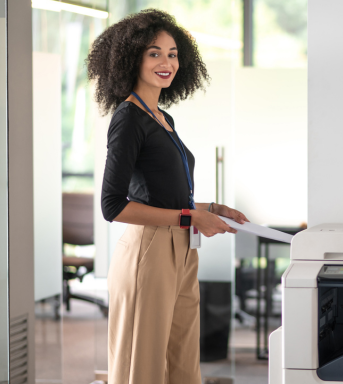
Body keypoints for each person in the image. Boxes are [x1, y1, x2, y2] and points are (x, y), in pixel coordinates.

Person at [86, 9, 248, 384]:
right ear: (132, 59)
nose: (166, 62)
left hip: (183, 248)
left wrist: (211, 209)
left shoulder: (163, 117)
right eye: (154, 53)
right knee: (143, 366)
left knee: (182, 362)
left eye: (173, 53)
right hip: (150, 252)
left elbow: (162, 193)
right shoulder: (128, 118)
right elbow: (113, 205)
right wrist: (191, 218)